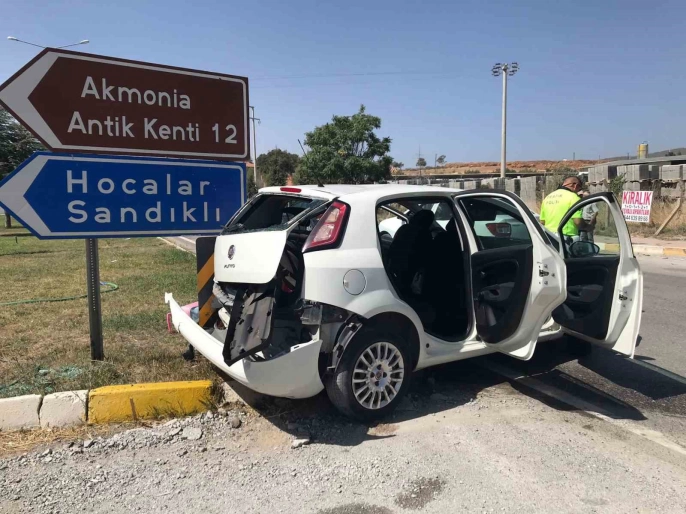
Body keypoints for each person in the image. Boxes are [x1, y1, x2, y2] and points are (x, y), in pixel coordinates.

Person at [539, 176, 594, 243]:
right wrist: (588, 227)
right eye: (579, 189)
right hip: (566, 238)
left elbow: (542, 222)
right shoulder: (574, 197)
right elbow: (578, 221)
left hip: (549, 237)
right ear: (575, 185)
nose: (578, 191)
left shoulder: (547, 198)